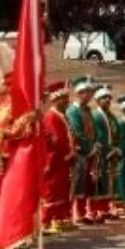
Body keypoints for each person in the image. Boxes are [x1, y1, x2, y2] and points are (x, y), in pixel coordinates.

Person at [0, 72, 38, 249]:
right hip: (5, 165)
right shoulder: (8, 107)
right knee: (9, 211)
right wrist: (28, 119)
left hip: (5, 164)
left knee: (7, 210)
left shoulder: (7, 105)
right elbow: (4, 134)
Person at [41, 81, 73, 235]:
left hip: (63, 161)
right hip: (55, 161)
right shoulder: (51, 117)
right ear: (55, 99)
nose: (67, 101)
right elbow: (56, 141)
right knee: (52, 191)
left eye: (67, 98)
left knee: (61, 190)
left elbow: (68, 136)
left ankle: (59, 219)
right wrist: (67, 153)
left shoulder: (62, 116)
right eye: (64, 99)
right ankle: (46, 222)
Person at [66, 76, 99, 225]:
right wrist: (90, 148)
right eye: (87, 92)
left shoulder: (87, 110)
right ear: (80, 93)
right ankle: (76, 213)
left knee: (87, 184)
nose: (90, 96)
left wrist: (95, 145)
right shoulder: (73, 111)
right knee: (78, 183)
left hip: (90, 152)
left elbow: (93, 130)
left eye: (91, 92)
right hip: (80, 152)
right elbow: (78, 133)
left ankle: (85, 210)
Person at [91, 84, 119, 220]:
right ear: (97, 100)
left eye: (109, 98)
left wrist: (116, 149)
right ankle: (96, 210)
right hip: (100, 154)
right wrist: (108, 150)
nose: (107, 100)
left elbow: (116, 134)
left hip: (111, 153)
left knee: (108, 182)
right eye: (104, 98)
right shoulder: (96, 115)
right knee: (99, 183)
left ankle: (106, 208)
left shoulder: (112, 117)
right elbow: (98, 136)